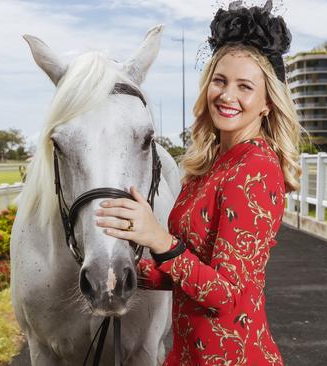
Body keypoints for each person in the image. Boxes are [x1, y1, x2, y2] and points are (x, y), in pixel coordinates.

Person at [94, 1, 302, 364]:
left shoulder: (255, 167)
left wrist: (157, 237)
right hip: (189, 354)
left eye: (244, 87)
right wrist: (121, 268)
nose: (227, 95)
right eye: (220, 81)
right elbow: (186, 272)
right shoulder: (210, 165)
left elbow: (225, 295)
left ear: (267, 102)